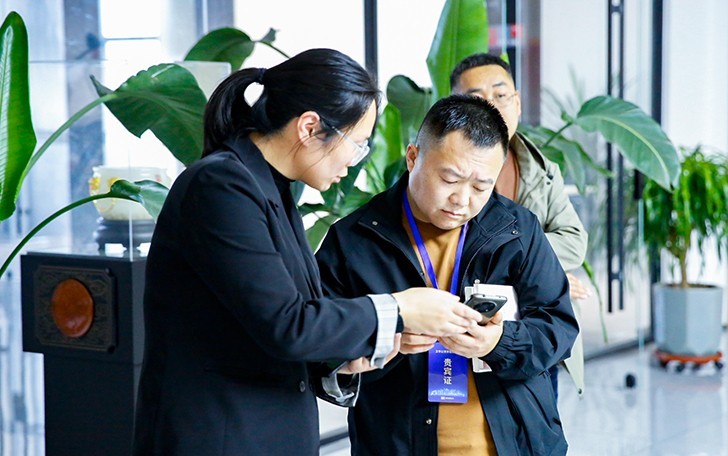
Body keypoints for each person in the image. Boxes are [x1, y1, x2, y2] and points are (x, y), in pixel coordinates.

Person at [132, 49, 482, 456]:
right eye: (357, 144)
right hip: (219, 437)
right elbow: (288, 324)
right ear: (310, 127)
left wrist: (346, 360)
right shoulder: (221, 186)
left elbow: (280, 326)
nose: (355, 161)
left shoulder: (271, 188)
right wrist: (399, 308)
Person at [316, 95, 579, 455]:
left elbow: (559, 326)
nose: (462, 199)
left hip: (513, 444)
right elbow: (318, 347)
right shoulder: (354, 240)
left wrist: (498, 342)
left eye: (481, 186)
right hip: (397, 445)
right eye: (449, 178)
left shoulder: (516, 230)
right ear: (413, 157)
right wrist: (380, 340)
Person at [451, 53, 590, 397]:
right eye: (476, 98)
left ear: (517, 103)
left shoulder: (542, 170)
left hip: (533, 334)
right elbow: (443, 250)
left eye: (500, 95)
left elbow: (574, 240)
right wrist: (540, 272)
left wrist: (533, 268)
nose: (491, 106)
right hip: (463, 335)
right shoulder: (441, 171)